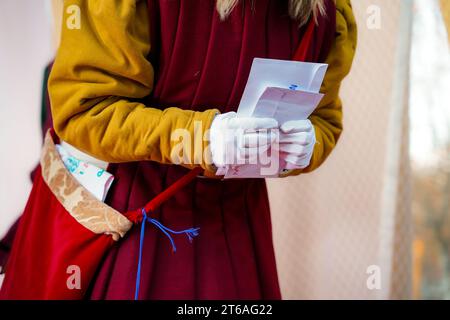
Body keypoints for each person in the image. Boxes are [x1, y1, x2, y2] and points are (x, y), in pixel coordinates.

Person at [4, 0, 357, 299]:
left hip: (238, 235)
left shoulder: (327, 10)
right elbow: (84, 109)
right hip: (132, 230)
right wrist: (202, 138)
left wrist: (306, 145)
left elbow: (323, 117)